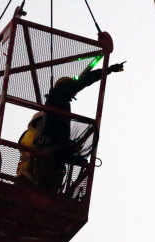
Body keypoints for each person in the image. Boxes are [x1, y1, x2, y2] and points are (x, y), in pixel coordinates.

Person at [33, 62, 125, 193]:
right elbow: (83, 81)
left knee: (46, 187)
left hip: (51, 151)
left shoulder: (56, 102)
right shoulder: (60, 93)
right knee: (49, 187)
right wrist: (108, 70)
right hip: (53, 151)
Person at [16, 112, 44, 187]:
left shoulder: (26, 133)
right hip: (30, 175)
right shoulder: (41, 134)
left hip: (23, 173)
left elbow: (20, 146)